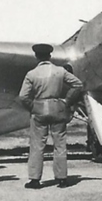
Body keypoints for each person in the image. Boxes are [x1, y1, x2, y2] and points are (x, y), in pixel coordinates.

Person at [19, 43, 84, 189]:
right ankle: (62, 179)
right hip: (58, 109)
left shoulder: (32, 74)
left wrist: (32, 106)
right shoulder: (60, 71)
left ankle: (35, 180)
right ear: (50, 55)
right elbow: (78, 84)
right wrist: (67, 101)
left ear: (36, 56)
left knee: (37, 145)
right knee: (60, 144)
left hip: (39, 109)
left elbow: (23, 96)